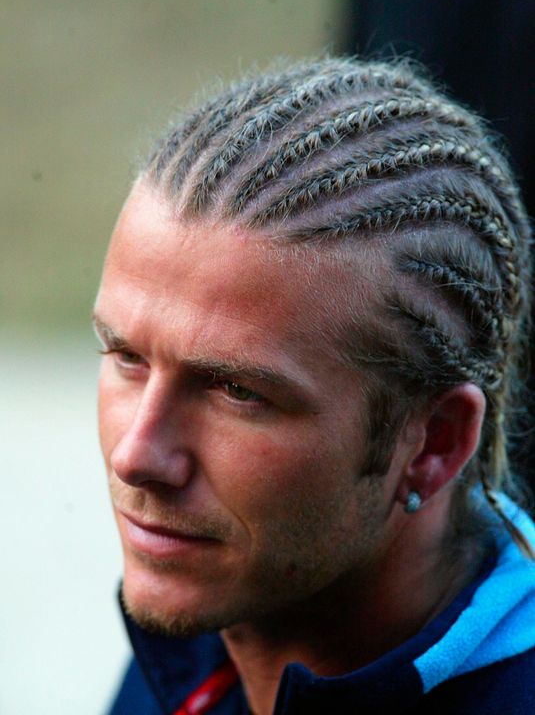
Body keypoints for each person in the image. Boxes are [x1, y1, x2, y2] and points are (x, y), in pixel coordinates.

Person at [94, 57, 535, 715]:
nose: (137, 455)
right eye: (126, 355)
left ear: (432, 444)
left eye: (237, 392)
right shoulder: (207, 641)